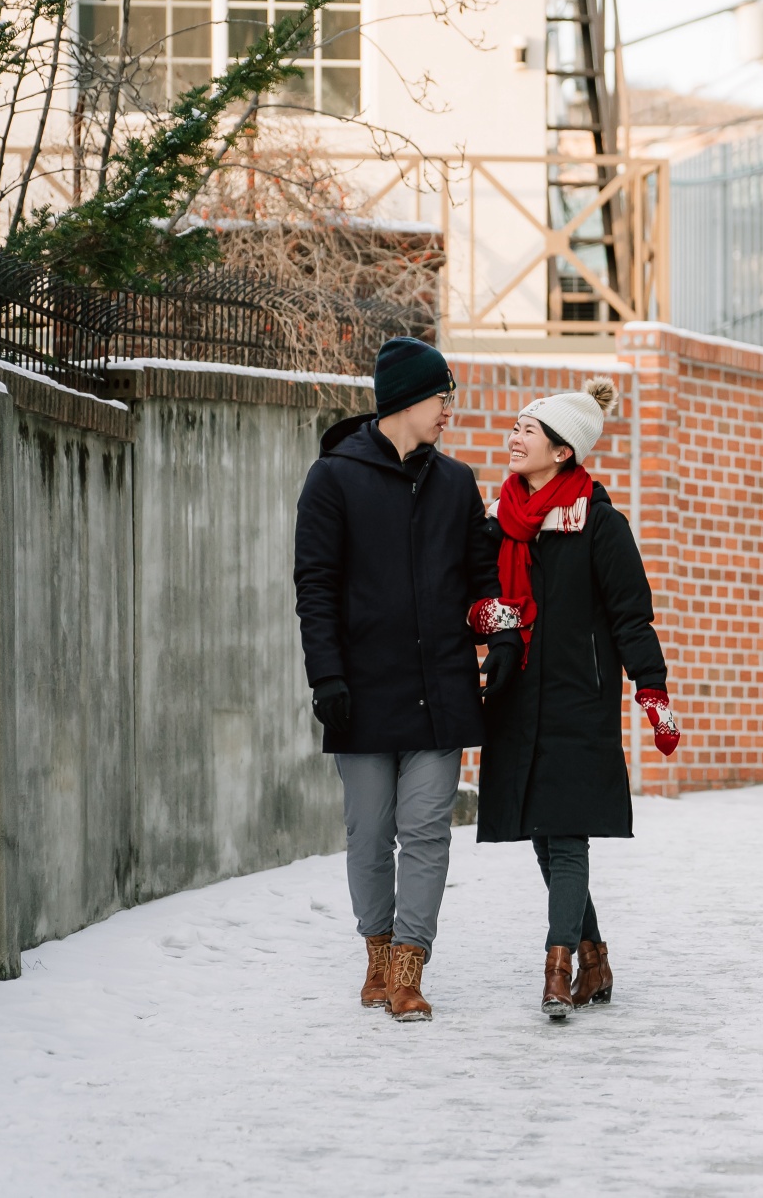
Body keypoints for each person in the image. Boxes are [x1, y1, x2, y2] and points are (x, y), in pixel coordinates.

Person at [292, 336, 520, 1023]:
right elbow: (316, 585)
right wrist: (326, 674)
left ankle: (408, 967)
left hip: (442, 686)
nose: (449, 409)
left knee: (427, 828)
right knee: (370, 830)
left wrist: (502, 628)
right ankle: (377, 950)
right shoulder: (332, 478)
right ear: (405, 400)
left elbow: (482, 579)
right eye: (441, 396)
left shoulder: (455, 482)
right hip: (360, 690)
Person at [473, 378, 681, 1020]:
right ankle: (594, 961)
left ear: (563, 451)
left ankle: (557, 970)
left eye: (528, 431)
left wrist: (652, 692)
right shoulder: (502, 523)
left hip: (577, 700)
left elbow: (631, 617)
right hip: (517, 697)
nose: (514, 438)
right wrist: (492, 624)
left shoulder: (600, 524)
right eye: (514, 427)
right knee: (543, 834)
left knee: (566, 838)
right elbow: (486, 605)